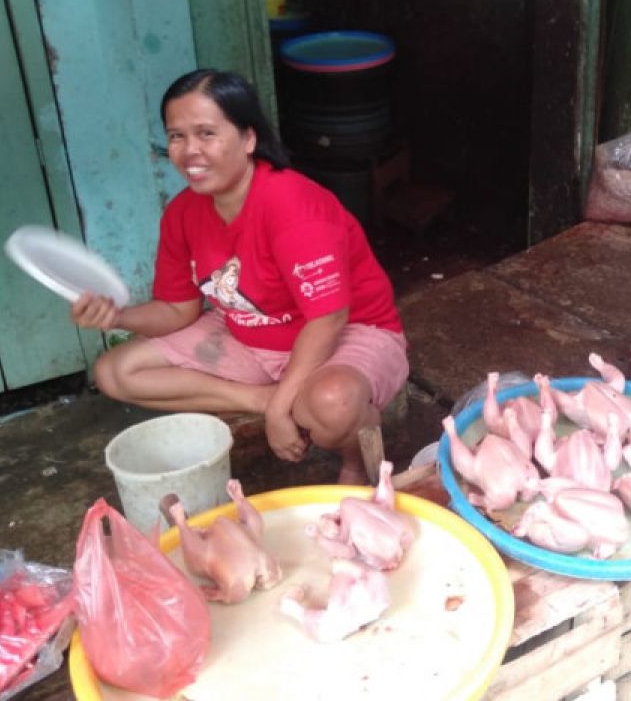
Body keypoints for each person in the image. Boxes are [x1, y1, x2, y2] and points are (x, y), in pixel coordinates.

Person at [71, 69, 408, 483]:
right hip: (248, 333)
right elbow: (177, 310)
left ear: (248, 139)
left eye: (206, 134)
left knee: (333, 403)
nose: (189, 150)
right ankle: (261, 397)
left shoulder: (292, 205)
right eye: (177, 136)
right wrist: (116, 316)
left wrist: (286, 411)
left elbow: (329, 318)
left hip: (351, 330)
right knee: (115, 372)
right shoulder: (183, 213)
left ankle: (356, 463)